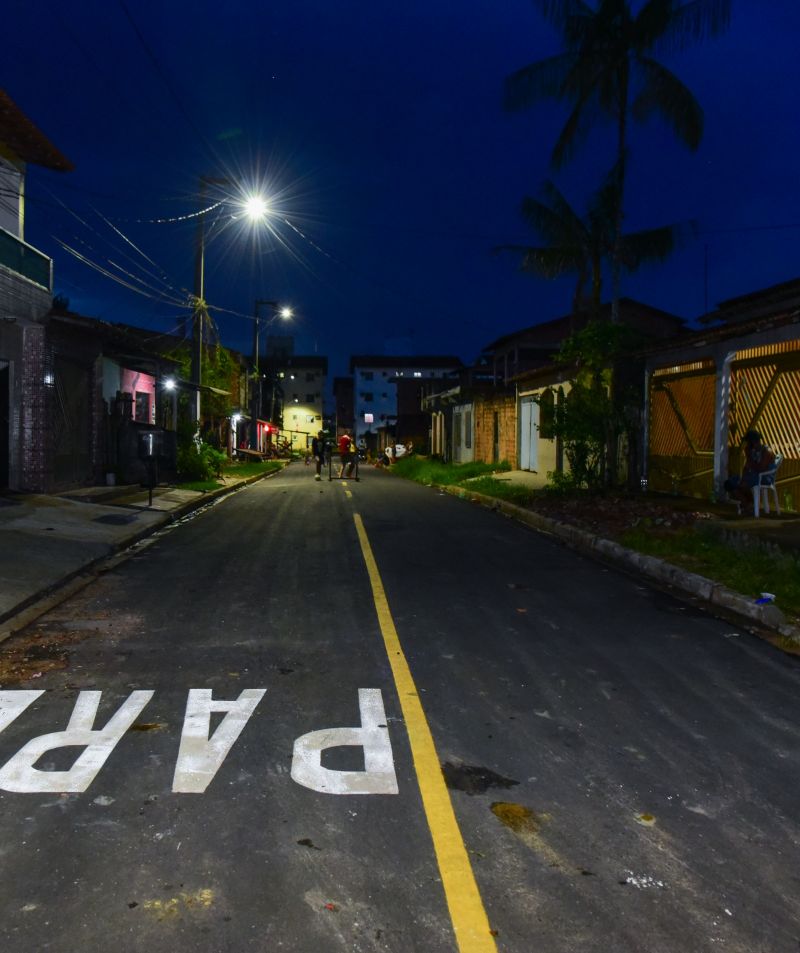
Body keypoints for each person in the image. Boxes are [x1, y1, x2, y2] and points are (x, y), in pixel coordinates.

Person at [724, 430, 776, 511]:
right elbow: (746, 468)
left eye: (748, 442)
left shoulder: (766, 452)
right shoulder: (752, 451)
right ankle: (748, 504)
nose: (747, 444)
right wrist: (743, 476)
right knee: (729, 484)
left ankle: (748, 504)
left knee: (743, 484)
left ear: (753, 442)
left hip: (764, 477)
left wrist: (750, 462)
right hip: (752, 476)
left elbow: (761, 469)